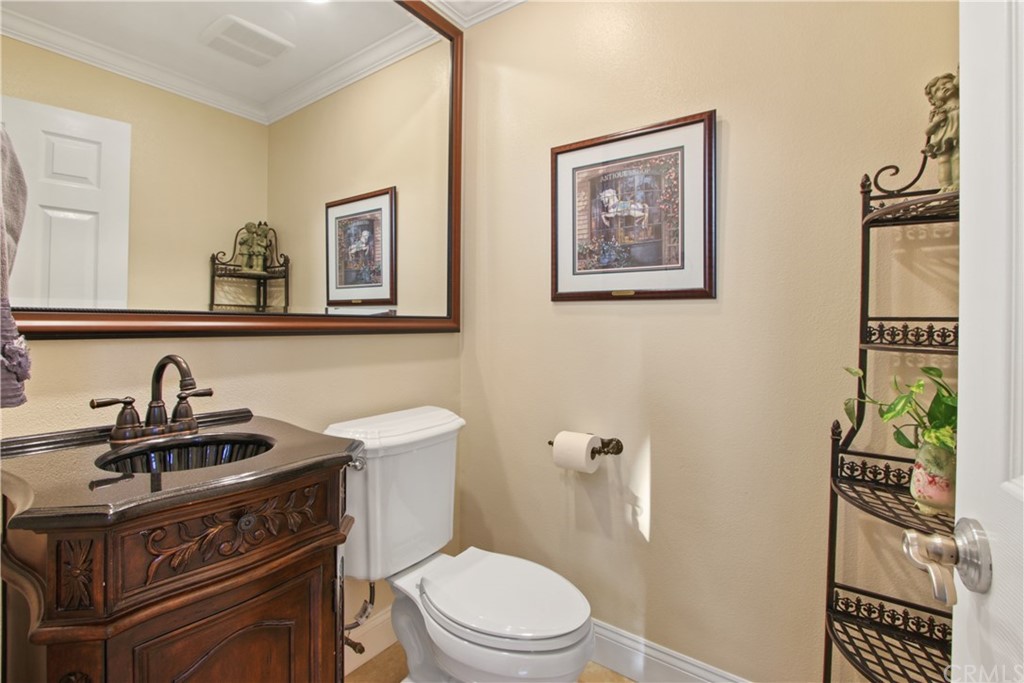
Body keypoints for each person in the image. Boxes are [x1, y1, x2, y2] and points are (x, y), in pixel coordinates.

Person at [923, 70, 959, 192]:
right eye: (937, 90)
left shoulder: (965, 104)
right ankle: (945, 186)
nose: (943, 88)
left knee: (958, 157)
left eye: (946, 83)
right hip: (942, 140)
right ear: (934, 99)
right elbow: (928, 132)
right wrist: (936, 121)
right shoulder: (938, 111)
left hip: (958, 138)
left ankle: (957, 183)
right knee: (943, 161)